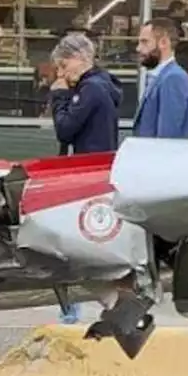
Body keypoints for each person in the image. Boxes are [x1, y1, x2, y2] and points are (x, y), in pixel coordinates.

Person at [46, 32, 123, 324]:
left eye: (64, 67)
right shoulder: (104, 85)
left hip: (87, 171)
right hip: (98, 168)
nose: (62, 74)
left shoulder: (90, 90)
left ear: (78, 58)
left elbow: (65, 129)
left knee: (77, 242)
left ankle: (82, 304)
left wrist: (59, 96)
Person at [133, 17, 188, 139]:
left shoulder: (173, 79)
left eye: (144, 42)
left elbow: (167, 137)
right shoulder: (164, 76)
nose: (138, 48)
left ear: (164, 43)